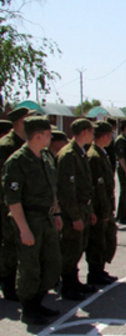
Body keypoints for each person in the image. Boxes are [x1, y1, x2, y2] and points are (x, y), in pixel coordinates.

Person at [2, 116, 63, 325]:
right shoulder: (17, 161)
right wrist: (23, 229)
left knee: (51, 264)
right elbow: (13, 200)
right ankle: (29, 309)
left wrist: (56, 213)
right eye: (47, 134)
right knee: (30, 267)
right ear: (38, 135)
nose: (50, 137)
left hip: (46, 219)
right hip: (29, 220)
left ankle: (38, 302)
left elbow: (52, 188)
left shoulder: (45, 157)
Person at [57, 118, 97, 300]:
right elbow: (66, 191)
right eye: (91, 131)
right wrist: (74, 217)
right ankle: (68, 286)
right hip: (73, 211)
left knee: (77, 248)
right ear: (83, 132)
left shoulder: (80, 152)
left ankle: (75, 283)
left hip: (83, 208)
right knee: (70, 249)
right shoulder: (68, 155)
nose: (93, 134)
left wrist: (90, 211)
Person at [0, 107, 31, 301]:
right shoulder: (6, 145)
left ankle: (19, 282)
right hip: (7, 204)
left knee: (21, 244)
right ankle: (8, 285)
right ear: (19, 122)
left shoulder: (25, 144)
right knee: (9, 245)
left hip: (24, 201)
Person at [86, 121, 118, 285]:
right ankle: (95, 273)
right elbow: (95, 188)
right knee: (97, 241)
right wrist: (103, 210)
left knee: (105, 239)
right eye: (111, 135)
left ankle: (100, 270)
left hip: (104, 206)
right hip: (99, 207)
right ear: (105, 136)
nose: (112, 138)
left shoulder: (100, 153)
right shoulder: (94, 156)